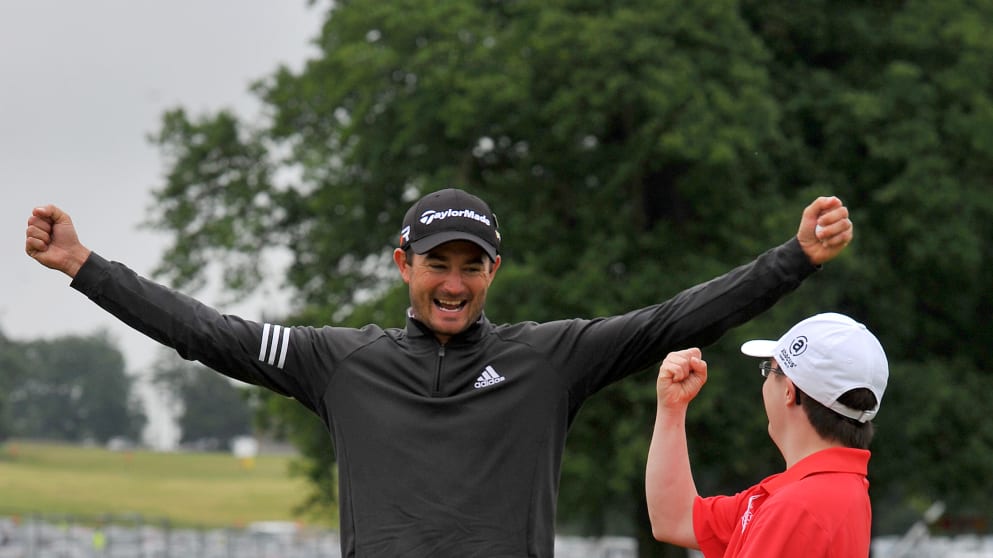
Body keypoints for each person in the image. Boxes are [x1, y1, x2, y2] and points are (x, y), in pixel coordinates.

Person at [26, 188, 852, 558]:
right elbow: (205, 332)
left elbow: (676, 319)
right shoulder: (338, 362)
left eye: (471, 264)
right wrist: (85, 266)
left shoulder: (549, 358)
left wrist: (792, 261)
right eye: (436, 263)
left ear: (494, 269)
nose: (453, 282)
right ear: (402, 264)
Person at [645, 312, 888, 557]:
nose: (765, 382)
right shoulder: (821, 490)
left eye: (769, 370)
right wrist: (671, 408)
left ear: (789, 392)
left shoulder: (797, 507)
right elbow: (675, 519)